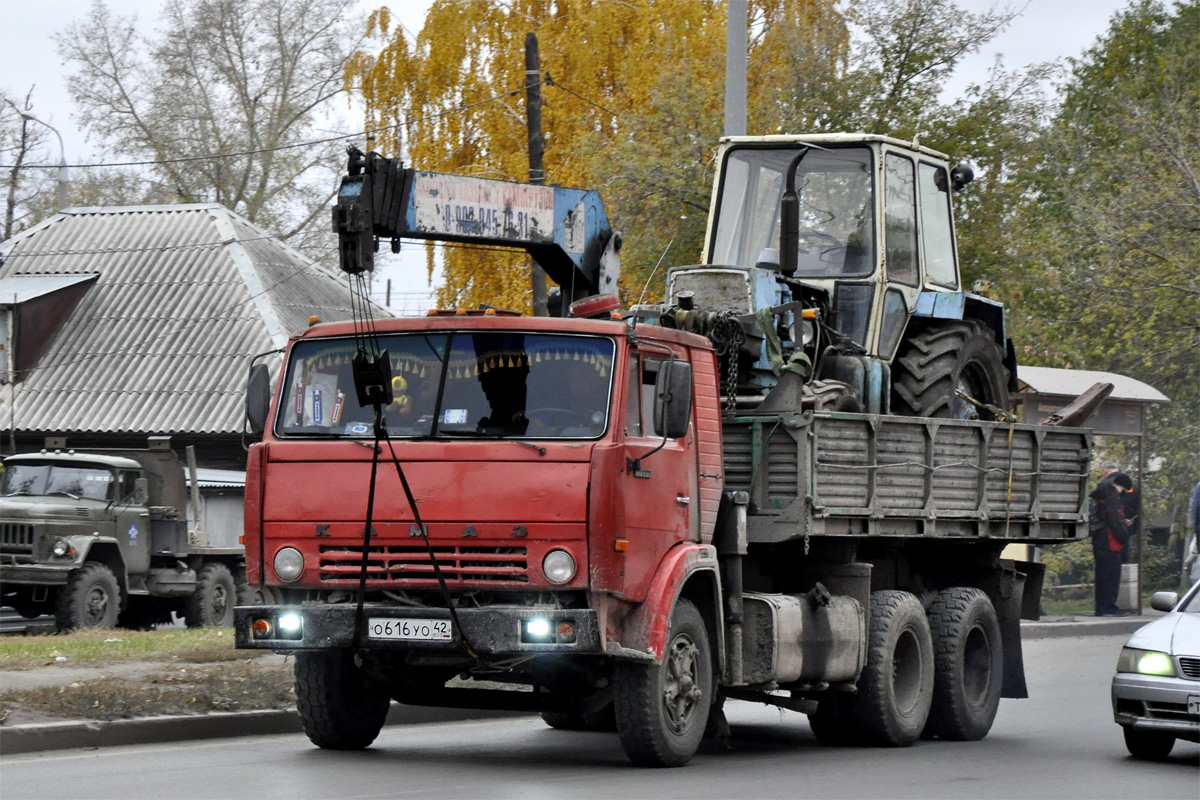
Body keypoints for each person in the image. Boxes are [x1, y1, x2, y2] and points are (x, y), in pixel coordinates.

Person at [1090, 477, 1131, 616]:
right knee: (1111, 576)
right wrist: (1124, 534)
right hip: (1110, 542)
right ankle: (1108, 607)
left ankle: (1101, 607)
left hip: (1099, 539)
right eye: (1124, 490)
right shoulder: (1112, 496)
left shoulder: (1101, 494)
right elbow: (1115, 519)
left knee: (1102, 575)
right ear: (1122, 486)